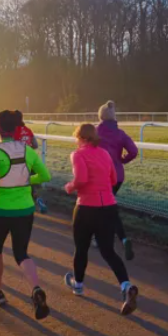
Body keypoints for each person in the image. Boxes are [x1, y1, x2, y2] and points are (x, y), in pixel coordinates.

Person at [63, 124, 138, 316]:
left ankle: (78, 285)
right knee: (108, 251)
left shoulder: (78, 154)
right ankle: (126, 285)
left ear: (80, 138)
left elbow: (81, 179)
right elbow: (113, 180)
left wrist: (70, 187)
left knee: (81, 249)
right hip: (109, 207)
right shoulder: (105, 153)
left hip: (87, 207)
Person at [0, 110, 51, 320]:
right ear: (15, 129)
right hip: (25, 209)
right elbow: (45, 175)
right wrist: (24, 181)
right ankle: (36, 289)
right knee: (21, 252)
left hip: (0, 208)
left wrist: (2, 183)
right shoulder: (28, 151)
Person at [96, 101, 139, 259]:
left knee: (102, 208)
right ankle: (122, 238)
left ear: (100, 116)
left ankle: (106, 238)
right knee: (108, 207)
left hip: (101, 176)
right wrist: (122, 160)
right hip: (118, 176)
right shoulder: (120, 134)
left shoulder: (96, 132)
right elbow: (133, 151)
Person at [14, 112, 46, 214]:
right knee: (31, 182)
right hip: (30, 159)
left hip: (19, 161)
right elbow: (35, 145)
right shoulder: (28, 130)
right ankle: (38, 200)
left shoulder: (14, 131)